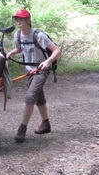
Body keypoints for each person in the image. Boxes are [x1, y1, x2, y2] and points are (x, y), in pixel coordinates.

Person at [5, 9, 61, 143]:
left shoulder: (38, 35)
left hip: (42, 69)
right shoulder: (17, 35)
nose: (18, 22)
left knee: (30, 97)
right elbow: (20, 49)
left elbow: (57, 50)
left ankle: (22, 129)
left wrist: (47, 62)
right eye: (17, 20)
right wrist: (10, 53)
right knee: (38, 97)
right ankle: (46, 124)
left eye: (21, 19)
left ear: (27, 21)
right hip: (29, 70)